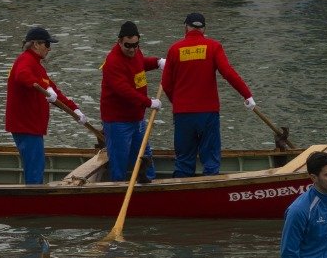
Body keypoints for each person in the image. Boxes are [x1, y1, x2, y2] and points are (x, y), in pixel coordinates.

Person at [160, 11, 254, 178]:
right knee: (210, 160)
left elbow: (166, 84)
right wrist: (247, 95)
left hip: (183, 114)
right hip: (208, 113)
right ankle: (211, 189)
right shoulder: (213, 47)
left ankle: (181, 191)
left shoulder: (174, 49)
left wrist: (178, 103)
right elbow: (228, 73)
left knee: (183, 161)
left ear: (186, 28)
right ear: (203, 29)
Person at [4, 26, 88, 185]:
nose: (49, 49)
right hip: (26, 126)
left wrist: (75, 109)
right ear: (36, 44)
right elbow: (22, 76)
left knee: (37, 166)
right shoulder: (25, 60)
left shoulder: (37, 66)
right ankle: (33, 203)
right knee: (35, 169)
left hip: (33, 126)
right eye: (47, 45)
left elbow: (55, 91)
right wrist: (45, 90)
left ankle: (33, 198)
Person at [99, 20, 163, 183]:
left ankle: (150, 185)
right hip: (118, 122)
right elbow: (125, 92)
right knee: (119, 161)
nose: (132, 49)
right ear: (119, 41)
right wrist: (149, 102)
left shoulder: (136, 52)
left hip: (137, 118)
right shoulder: (113, 63)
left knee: (144, 156)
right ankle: (117, 190)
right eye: (128, 45)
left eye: (136, 45)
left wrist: (157, 62)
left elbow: (140, 64)